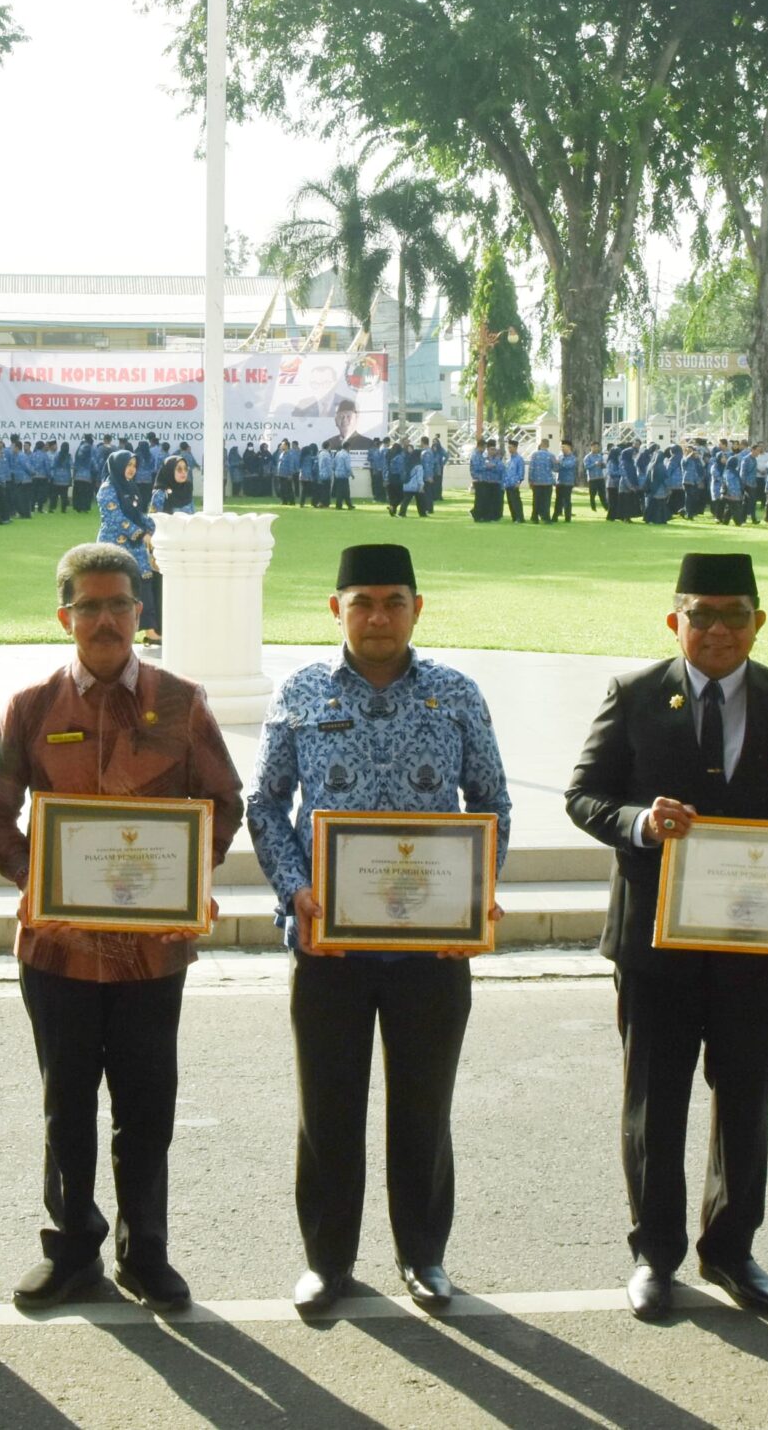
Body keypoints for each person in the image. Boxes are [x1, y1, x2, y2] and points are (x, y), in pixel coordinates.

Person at [563, 552, 768, 1322]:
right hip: (657, 944)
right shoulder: (636, 695)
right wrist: (640, 823)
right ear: (673, 619)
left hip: (759, 947)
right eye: (701, 614)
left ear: (759, 621)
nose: (717, 629)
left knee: (746, 1098)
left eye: (734, 615)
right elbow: (584, 797)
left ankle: (732, 1248)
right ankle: (656, 1254)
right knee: (657, 1101)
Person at [0, 542, 243, 1313]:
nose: (103, 619)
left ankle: (145, 1250)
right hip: (57, 948)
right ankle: (71, 1250)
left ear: (139, 613)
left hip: (153, 951)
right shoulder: (30, 708)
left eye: (117, 604)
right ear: (64, 616)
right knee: (66, 1103)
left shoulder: (182, 703)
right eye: (87, 606)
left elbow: (224, 802)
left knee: (147, 1102)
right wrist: (38, 883)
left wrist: (192, 880)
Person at [247, 545, 511, 1313]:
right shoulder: (300, 691)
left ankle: (423, 1255)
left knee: (423, 1106)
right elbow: (266, 804)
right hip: (330, 945)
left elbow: (491, 804)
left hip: (432, 945)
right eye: (361, 601)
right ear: (336, 609)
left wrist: (475, 893)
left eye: (394, 601)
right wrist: (295, 891)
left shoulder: (456, 693)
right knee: (327, 1107)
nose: (378, 616)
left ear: (418, 609)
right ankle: (328, 1261)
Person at [97, 456, 161, 642]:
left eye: (134, 465)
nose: (132, 469)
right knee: (116, 587)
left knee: (144, 582)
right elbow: (114, 518)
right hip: (115, 545)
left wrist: (153, 527)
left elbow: (138, 514)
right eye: (128, 465)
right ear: (117, 467)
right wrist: (140, 534)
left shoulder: (131, 487)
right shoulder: (107, 489)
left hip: (135, 545)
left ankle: (150, 631)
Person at [526, 438, 556, 524]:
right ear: (548, 445)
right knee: (546, 501)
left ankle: (534, 517)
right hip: (547, 482)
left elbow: (531, 468)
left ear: (540, 444)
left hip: (536, 481)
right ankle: (545, 517)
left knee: (536, 500)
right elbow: (555, 468)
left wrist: (530, 480)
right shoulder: (551, 456)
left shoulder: (534, 455)